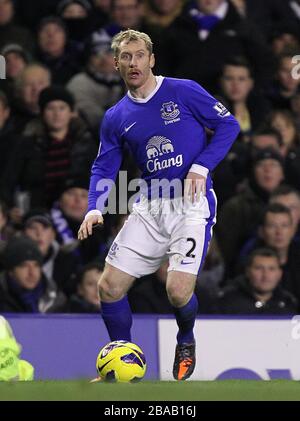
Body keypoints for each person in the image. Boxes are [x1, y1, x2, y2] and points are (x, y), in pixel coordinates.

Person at [78, 29, 240, 381]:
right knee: (107, 287)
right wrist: (94, 206)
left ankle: (185, 337)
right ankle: (122, 361)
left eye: (139, 55)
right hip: (150, 206)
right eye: (126, 56)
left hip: (191, 204)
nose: (133, 62)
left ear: (151, 59)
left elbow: (228, 124)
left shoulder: (182, 90)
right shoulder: (116, 116)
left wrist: (201, 166)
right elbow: (104, 164)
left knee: (178, 291)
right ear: (116, 63)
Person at [218, 248, 298, 315]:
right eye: (259, 268)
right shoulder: (227, 303)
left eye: (271, 269)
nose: (265, 275)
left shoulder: (289, 303)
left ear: (280, 274)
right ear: (248, 272)